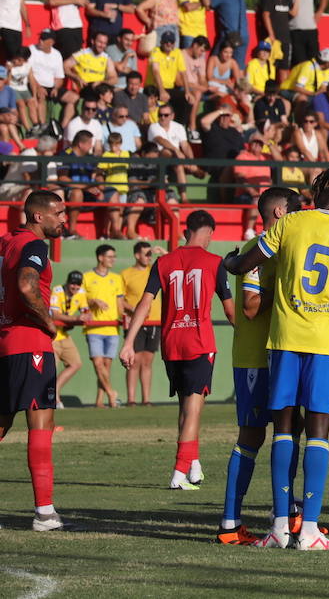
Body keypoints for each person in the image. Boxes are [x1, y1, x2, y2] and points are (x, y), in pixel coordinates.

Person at [222, 169, 329, 550]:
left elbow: (249, 260)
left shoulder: (292, 223)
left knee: (283, 430)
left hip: (284, 340)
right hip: (326, 342)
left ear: (315, 191)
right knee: (318, 433)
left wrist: (232, 265)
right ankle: (311, 531)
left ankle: (280, 527)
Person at [120, 210, 233, 492]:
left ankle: (193, 465)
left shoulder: (164, 262)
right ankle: (179, 470)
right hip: (199, 342)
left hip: (172, 343)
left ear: (186, 232)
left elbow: (145, 304)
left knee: (186, 405)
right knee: (194, 408)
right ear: (209, 233)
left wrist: (128, 343)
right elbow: (231, 311)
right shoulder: (215, 262)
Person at [214, 186, 302, 545]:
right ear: (280, 213)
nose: (301, 214)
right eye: (296, 209)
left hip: (285, 353)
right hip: (255, 358)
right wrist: (285, 287)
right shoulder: (257, 250)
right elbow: (250, 306)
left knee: (290, 431)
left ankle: (288, 514)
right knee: (252, 436)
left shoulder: (288, 248)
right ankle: (229, 524)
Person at [0, 190, 68, 531]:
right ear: (39, 217)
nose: (64, 219)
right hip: (30, 344)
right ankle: (44, 513)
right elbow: (28, 286)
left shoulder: (6, 242)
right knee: (41, 426)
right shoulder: (35, 245)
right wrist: (49, 322)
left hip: (4, 342)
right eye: (59, 213)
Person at [82, 245, 126, 409]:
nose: (113, 259)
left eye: (114, 256)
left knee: (106, 367)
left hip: (113, 328)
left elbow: (120, 304)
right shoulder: (86, 277)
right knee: (98, 364)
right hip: (94, 328)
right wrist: (93, 301)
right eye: (109, 256)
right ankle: (112, 394)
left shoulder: (116, 278)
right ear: (100, 257)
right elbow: (80, 299)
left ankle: (100, 401)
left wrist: (125, 316)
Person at [122, 241, 163, 406]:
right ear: (136, 255)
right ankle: (131, 399)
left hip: (155, 321)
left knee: (147, 361)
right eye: (145, 254)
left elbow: (175, 265)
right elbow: (120, 300)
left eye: (150, 254)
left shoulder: (154, 270)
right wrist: (134, 310)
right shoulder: (126, 274)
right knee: (134, 361)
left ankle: (146, 399)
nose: (148, 257)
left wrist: (163, 252)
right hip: (135, 323)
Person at [286, 0, 326, 65]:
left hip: (310, 30)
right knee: (300, 63)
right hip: (294, 30)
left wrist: (319, 12)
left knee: (314, 61)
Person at [209, 0, 249, 68]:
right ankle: (241, 83)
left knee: (213, 62)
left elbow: (209, 4)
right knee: (238, 69)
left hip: (229, 36)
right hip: (244, 35)